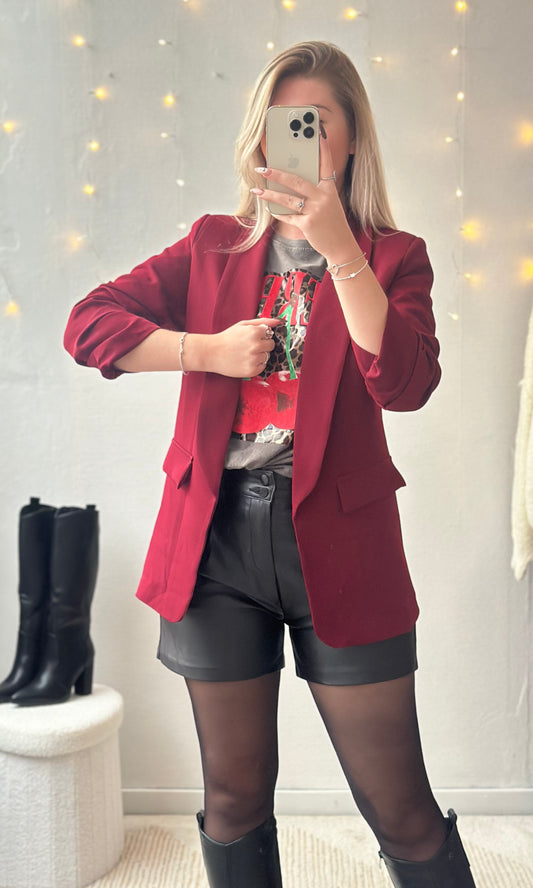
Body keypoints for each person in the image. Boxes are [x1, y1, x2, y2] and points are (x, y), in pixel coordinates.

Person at [64, 40, 477, 888]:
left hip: (340, 542)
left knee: (399, 806)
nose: (297, 139)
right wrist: (205, 350)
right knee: (233, 798)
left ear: (351, 138)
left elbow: (405, 385)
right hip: (213, 543)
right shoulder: (212, 245)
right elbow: (88, 325)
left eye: (315, 123)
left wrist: (340, 250)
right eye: (282, 123)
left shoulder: (393, 256)